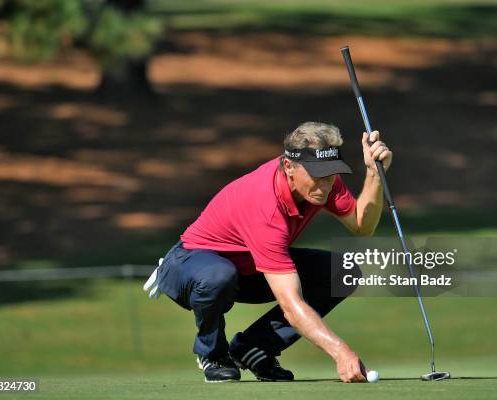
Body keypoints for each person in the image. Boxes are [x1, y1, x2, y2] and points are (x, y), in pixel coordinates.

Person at [143, 122, 392, 383]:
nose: (326, 184)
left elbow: (362, 226)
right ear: (289, 167)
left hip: (247, 270)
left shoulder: (325, 181)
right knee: (219, 276)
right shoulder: (265, 206)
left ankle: (254, 348)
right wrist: (341, 352)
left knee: (343, 272)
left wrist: (375, 174)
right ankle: (213, 354)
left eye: (331, 175)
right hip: (190, 266)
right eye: (318, 175)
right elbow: (290, 305)